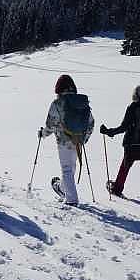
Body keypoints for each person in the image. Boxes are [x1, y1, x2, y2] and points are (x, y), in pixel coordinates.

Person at [100, 84, 140, 204]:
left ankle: (117, 189)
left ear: (136, 94)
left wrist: (109, 132)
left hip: (133, 147)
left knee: (124, 168)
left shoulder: (132, 107)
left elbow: (124, 127)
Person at [39, 74, 94, 206]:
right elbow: (91, 122)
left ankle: (71, 199)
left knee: (67, 169)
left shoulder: (58, 103)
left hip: (63, 141)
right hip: (77, 141)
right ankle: (64, 189)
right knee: (71, 168)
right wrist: (83, 139)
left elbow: (51, 124)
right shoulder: (82, 102)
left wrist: (43, 134)